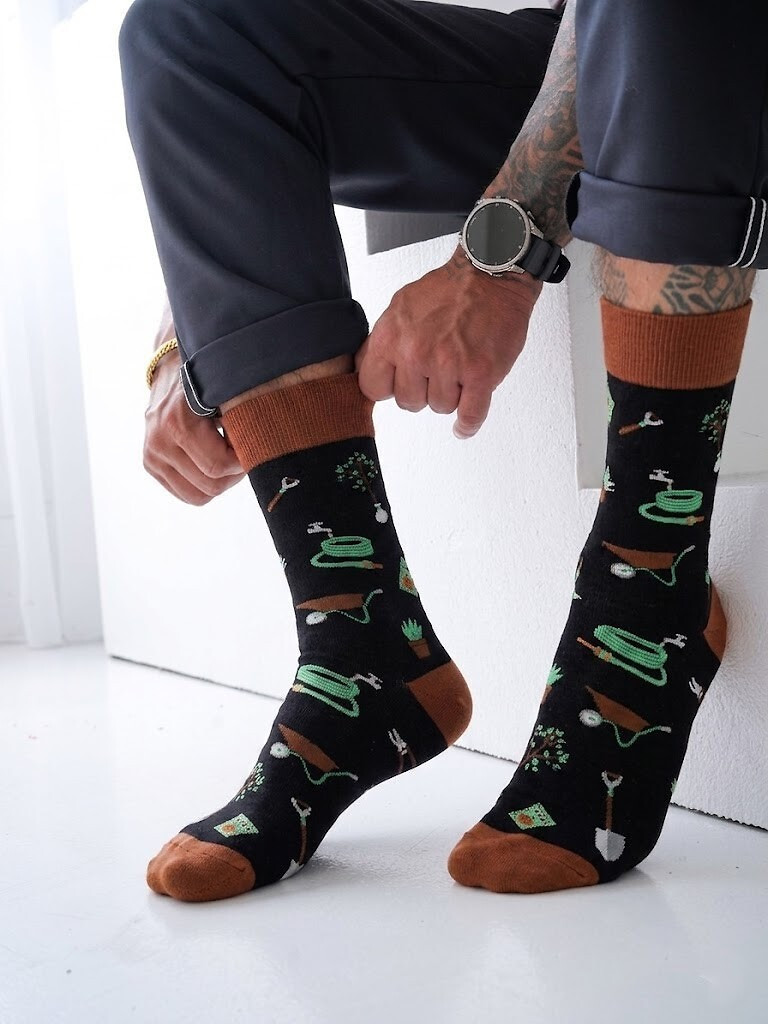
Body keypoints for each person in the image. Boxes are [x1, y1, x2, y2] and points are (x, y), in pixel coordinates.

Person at [117, 0, 762, 901]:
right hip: (595, 47)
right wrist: (190, 321)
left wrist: (499, 254)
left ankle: (650, 594)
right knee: (189, 36)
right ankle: (360, 646)